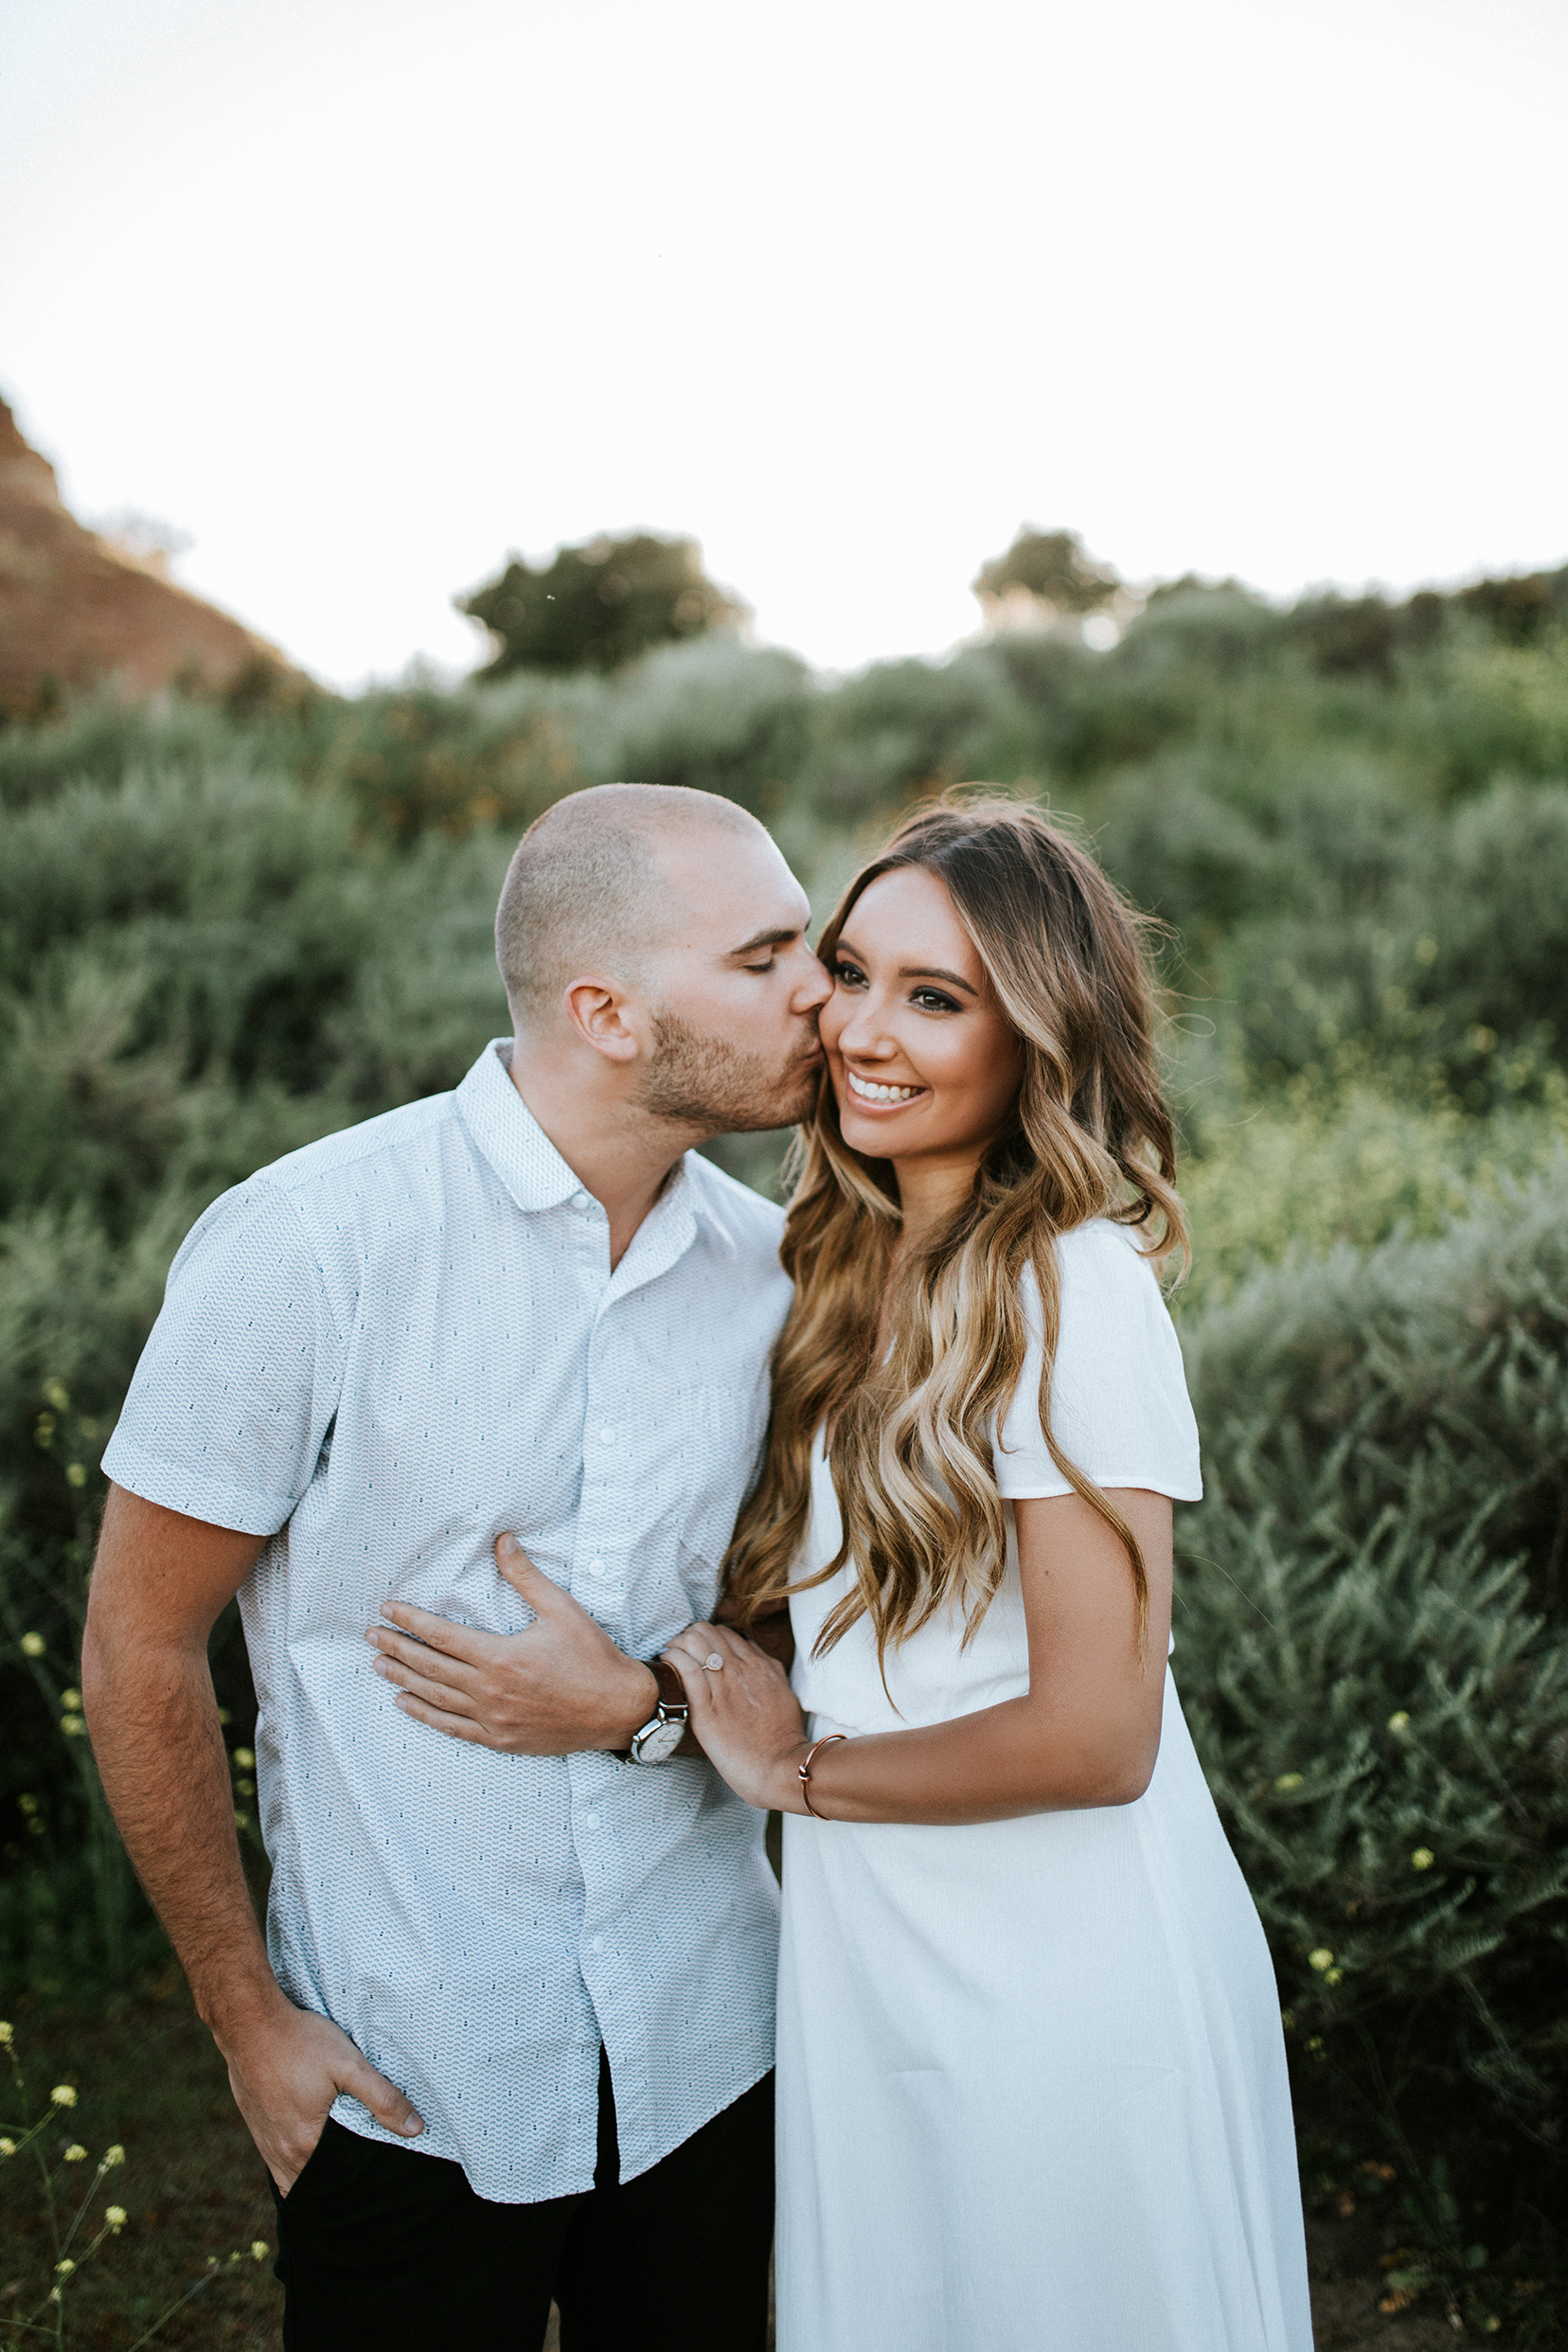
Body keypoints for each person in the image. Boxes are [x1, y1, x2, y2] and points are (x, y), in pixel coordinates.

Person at [81, 782, 831, 2352]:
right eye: (765, 960)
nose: (820, 993)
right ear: (605, 1011)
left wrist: (640, 1707)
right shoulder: (309, 1242)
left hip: (708, 2040)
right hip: (413, 2070)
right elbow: (140, 1642)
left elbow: (776, 1630)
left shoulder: (770, 1276)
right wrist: (244, 2018)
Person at [662, 797, 1315, 2352]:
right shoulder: (843, 1257)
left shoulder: (1070, 1285)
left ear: (1037, 1040)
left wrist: (794, 1775)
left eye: (936, 998)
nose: (863, 1031)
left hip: (1058, 1958)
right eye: (851, 973)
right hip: (883, 1935)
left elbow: (1100, 1737)